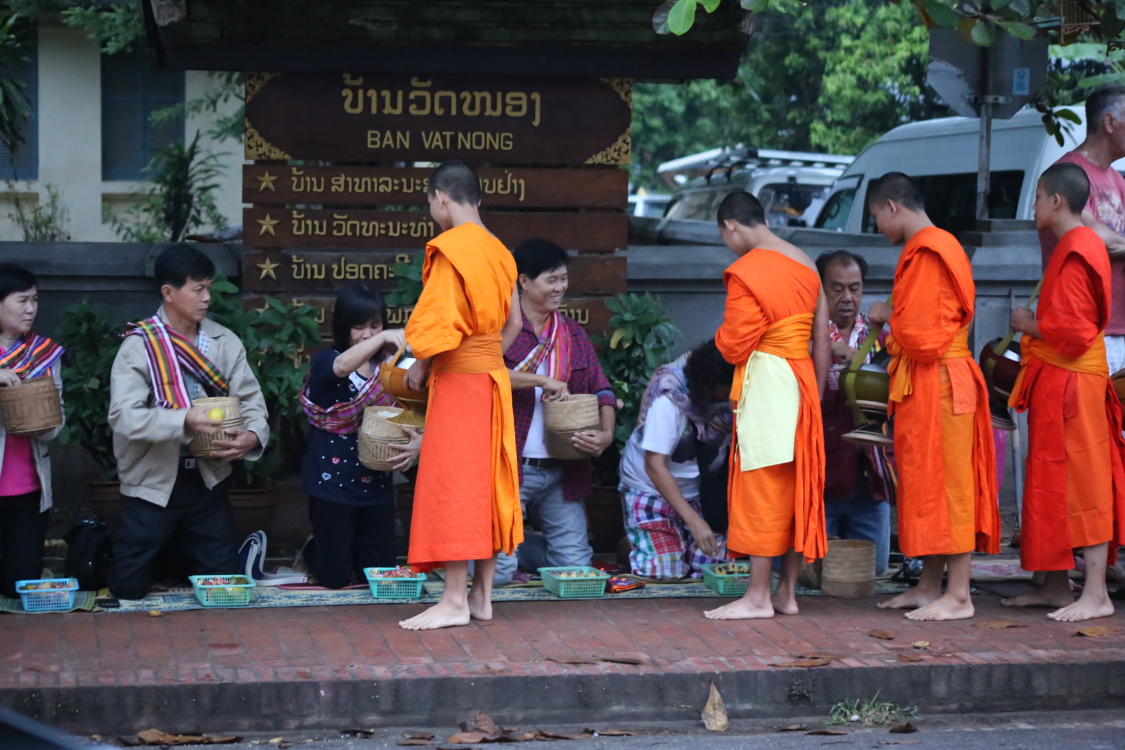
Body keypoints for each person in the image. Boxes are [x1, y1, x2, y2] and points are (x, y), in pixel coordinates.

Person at [866, 172, 1000, 621]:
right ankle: (929, 584)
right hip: (927, 385)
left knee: (951, 488)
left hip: (942, 381)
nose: (879, 230)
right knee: (926, 486)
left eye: (876, 219)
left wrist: (887, 318)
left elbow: (923, 339)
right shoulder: (928, 248)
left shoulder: (930, 250)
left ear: (892, 207)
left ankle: (959, 594)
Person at [398, 161, 522, 630]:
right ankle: (481, 597)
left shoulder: (452, 249)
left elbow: (436, 331)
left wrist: (422, 364)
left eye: (430, 203)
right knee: (487, 483)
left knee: (454, 485)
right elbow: (511, 325)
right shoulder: (501, 252)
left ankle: (452, 599)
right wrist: (485, 357)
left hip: (460, 384)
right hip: (493, 380)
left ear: (441, 198)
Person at [107, 245, 269, 600]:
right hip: (153, 481)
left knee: (225, 587)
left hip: (208, 479)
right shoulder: (139, 346)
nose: (207, 298)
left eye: (209, 287)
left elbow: (252, 401)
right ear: (168, 292)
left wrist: (253, 435)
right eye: (198, 289)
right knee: (128, 589)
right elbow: (123, 415)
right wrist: (185, 419)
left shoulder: (225, 341)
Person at [1003, 163, 1125, 622]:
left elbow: (1072, 336)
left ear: (1056, 201)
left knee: (1085, 486)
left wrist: (1025, 325)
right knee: (1051, 485)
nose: (1032, 206)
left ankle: (1096, 593)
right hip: (1060, 385)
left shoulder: (1077, 248)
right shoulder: (1077, 244)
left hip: (1074, 384)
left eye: (1036, 197)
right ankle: (1056, 585)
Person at [704, 191, 830, 620]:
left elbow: (735, 343)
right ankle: (786, 593)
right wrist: (814, 392)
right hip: (802, 382)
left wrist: (723, 340)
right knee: (796, 485)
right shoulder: (806, 263)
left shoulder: (749, 270)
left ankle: (757, 597)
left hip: (771, 385)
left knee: (763, 484)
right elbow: (821, 339)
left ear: (730, 226)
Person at [498, 238, 616, 583]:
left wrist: (606, 435)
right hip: (510, 466)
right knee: (499, 576)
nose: (560, 287)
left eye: (563, 279)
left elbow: (602, 389)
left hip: (562, 469)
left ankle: (516, 548)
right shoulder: (500, 329)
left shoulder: (572, 333)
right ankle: (484, 554)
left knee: (575, 571)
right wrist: (540, 380)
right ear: (524, 281)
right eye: (551, 280)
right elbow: (482, 375)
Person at [297, 281, 421, 589]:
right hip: (332, 482)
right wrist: (380, 338)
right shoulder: (328, 359)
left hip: (376, 481)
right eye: (359, 327)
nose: (368, 334)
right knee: (335, 578)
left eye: (376, 325)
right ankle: (314, 548)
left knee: (377, 576)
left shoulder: (394, 364)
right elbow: (340, 367)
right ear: (343, 327)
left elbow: (420, 402)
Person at [619, 339, 734, 579]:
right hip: (651, 488)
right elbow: (654, 466)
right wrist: (694, 522)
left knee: (713, 570)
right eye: (727, 390)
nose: (732, 395)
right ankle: (629, 544)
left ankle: (671, 539)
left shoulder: (731, 398)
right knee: (666, 571)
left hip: (701, 490)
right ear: (708, 387)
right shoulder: (670, 399)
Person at [816, 250, 895, 576]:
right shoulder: (807, 337)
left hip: (870, 476)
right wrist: (824, 349)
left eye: (855, 288)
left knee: (872, 571)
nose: (848, 298)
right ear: (819, 290)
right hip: (824, 476)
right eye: (837, 289)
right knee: (814, 573)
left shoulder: (883, 341)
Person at [1040, 84, 1125, 375]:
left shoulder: (1117, 179)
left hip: (1118, 328)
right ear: (1110, 122)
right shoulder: (1065, 177)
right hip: (1085, 329)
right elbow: (1092, 237)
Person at [0, 264, 64, 598]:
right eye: (22, 300)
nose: (31, 309)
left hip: (27, 488)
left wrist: (40, 420)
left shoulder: (44, 354)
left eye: (35, 300)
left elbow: (58, 423)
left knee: (18, 588)